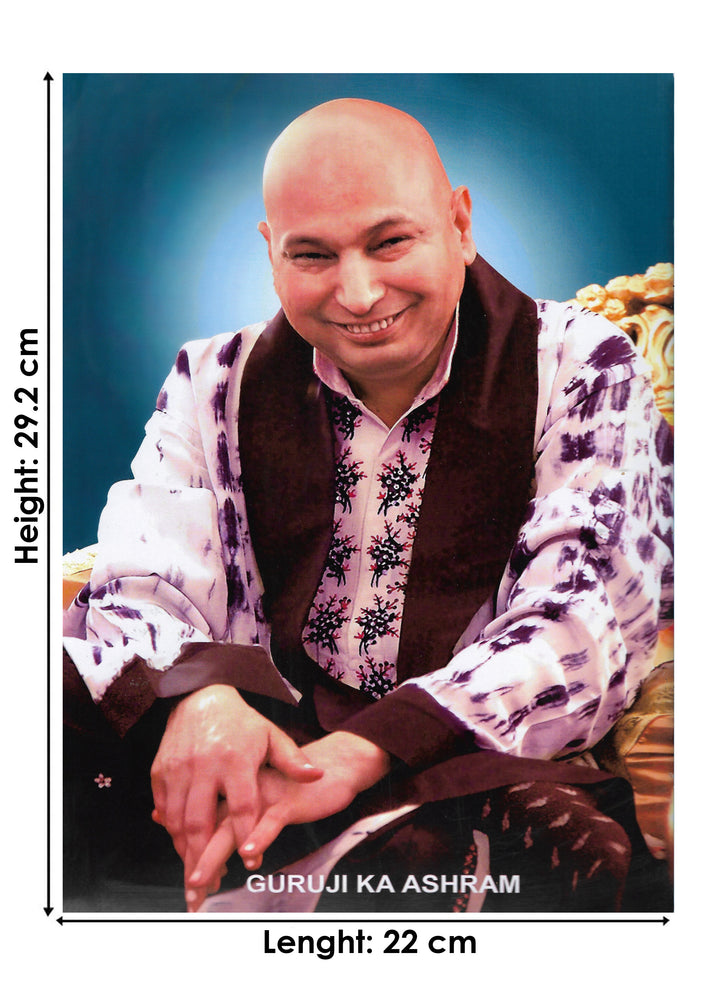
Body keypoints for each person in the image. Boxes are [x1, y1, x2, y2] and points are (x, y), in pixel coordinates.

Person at [63, 98, 673, 913]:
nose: (357, 294)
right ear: (271, 253)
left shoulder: (578, 366)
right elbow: (143, 581)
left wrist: (361, 752)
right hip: (252, 734)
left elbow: (580, 619)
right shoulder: (213, 379)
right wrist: (204, 703)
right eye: (312, 255)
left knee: (560, 852)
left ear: (460, 225)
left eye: (389, 243)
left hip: (462, 758)